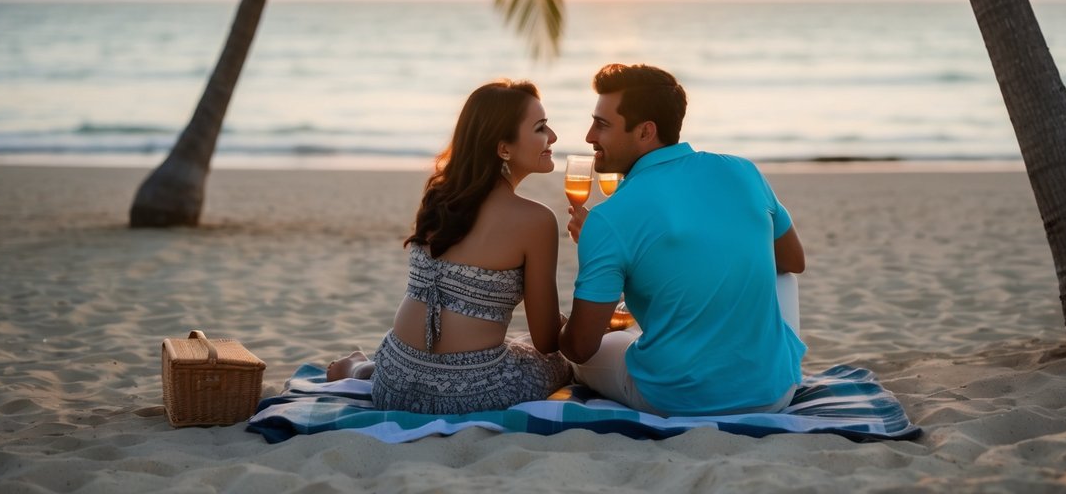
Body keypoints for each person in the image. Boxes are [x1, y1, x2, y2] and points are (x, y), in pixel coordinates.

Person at [558, 64, 806, 417]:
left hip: (676, 399)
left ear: (645, 132)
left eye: (602, 124)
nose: (589, 136)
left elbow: (580, 346)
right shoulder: (743, 170)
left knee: (602, 349)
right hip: (774, 392)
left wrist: (560, 327)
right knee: (782, 277)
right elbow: (794, 262)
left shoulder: (608, 219)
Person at [327, 80, 573, 414]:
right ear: (504, 147)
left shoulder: (439, 198)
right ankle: (358, 368)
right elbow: (546, 340)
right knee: (562, 362)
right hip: (469, 393)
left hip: (393, 381)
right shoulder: (537, 221)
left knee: (508, 346)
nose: (553, 137)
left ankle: (359, 369)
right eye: (541, 128)